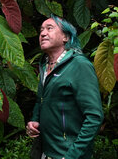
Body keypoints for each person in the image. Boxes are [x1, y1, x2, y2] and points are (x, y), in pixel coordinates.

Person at [26, 14, 104, 159]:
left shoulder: (79, 65)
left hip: (67, 154)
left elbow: (94, 116)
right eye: (41, 30)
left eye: (50, 28)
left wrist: (72, 155)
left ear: (66, 38)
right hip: (44, 151)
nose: (43, 33)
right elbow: (41, 100)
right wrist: (35, 120)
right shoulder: (44, 65)